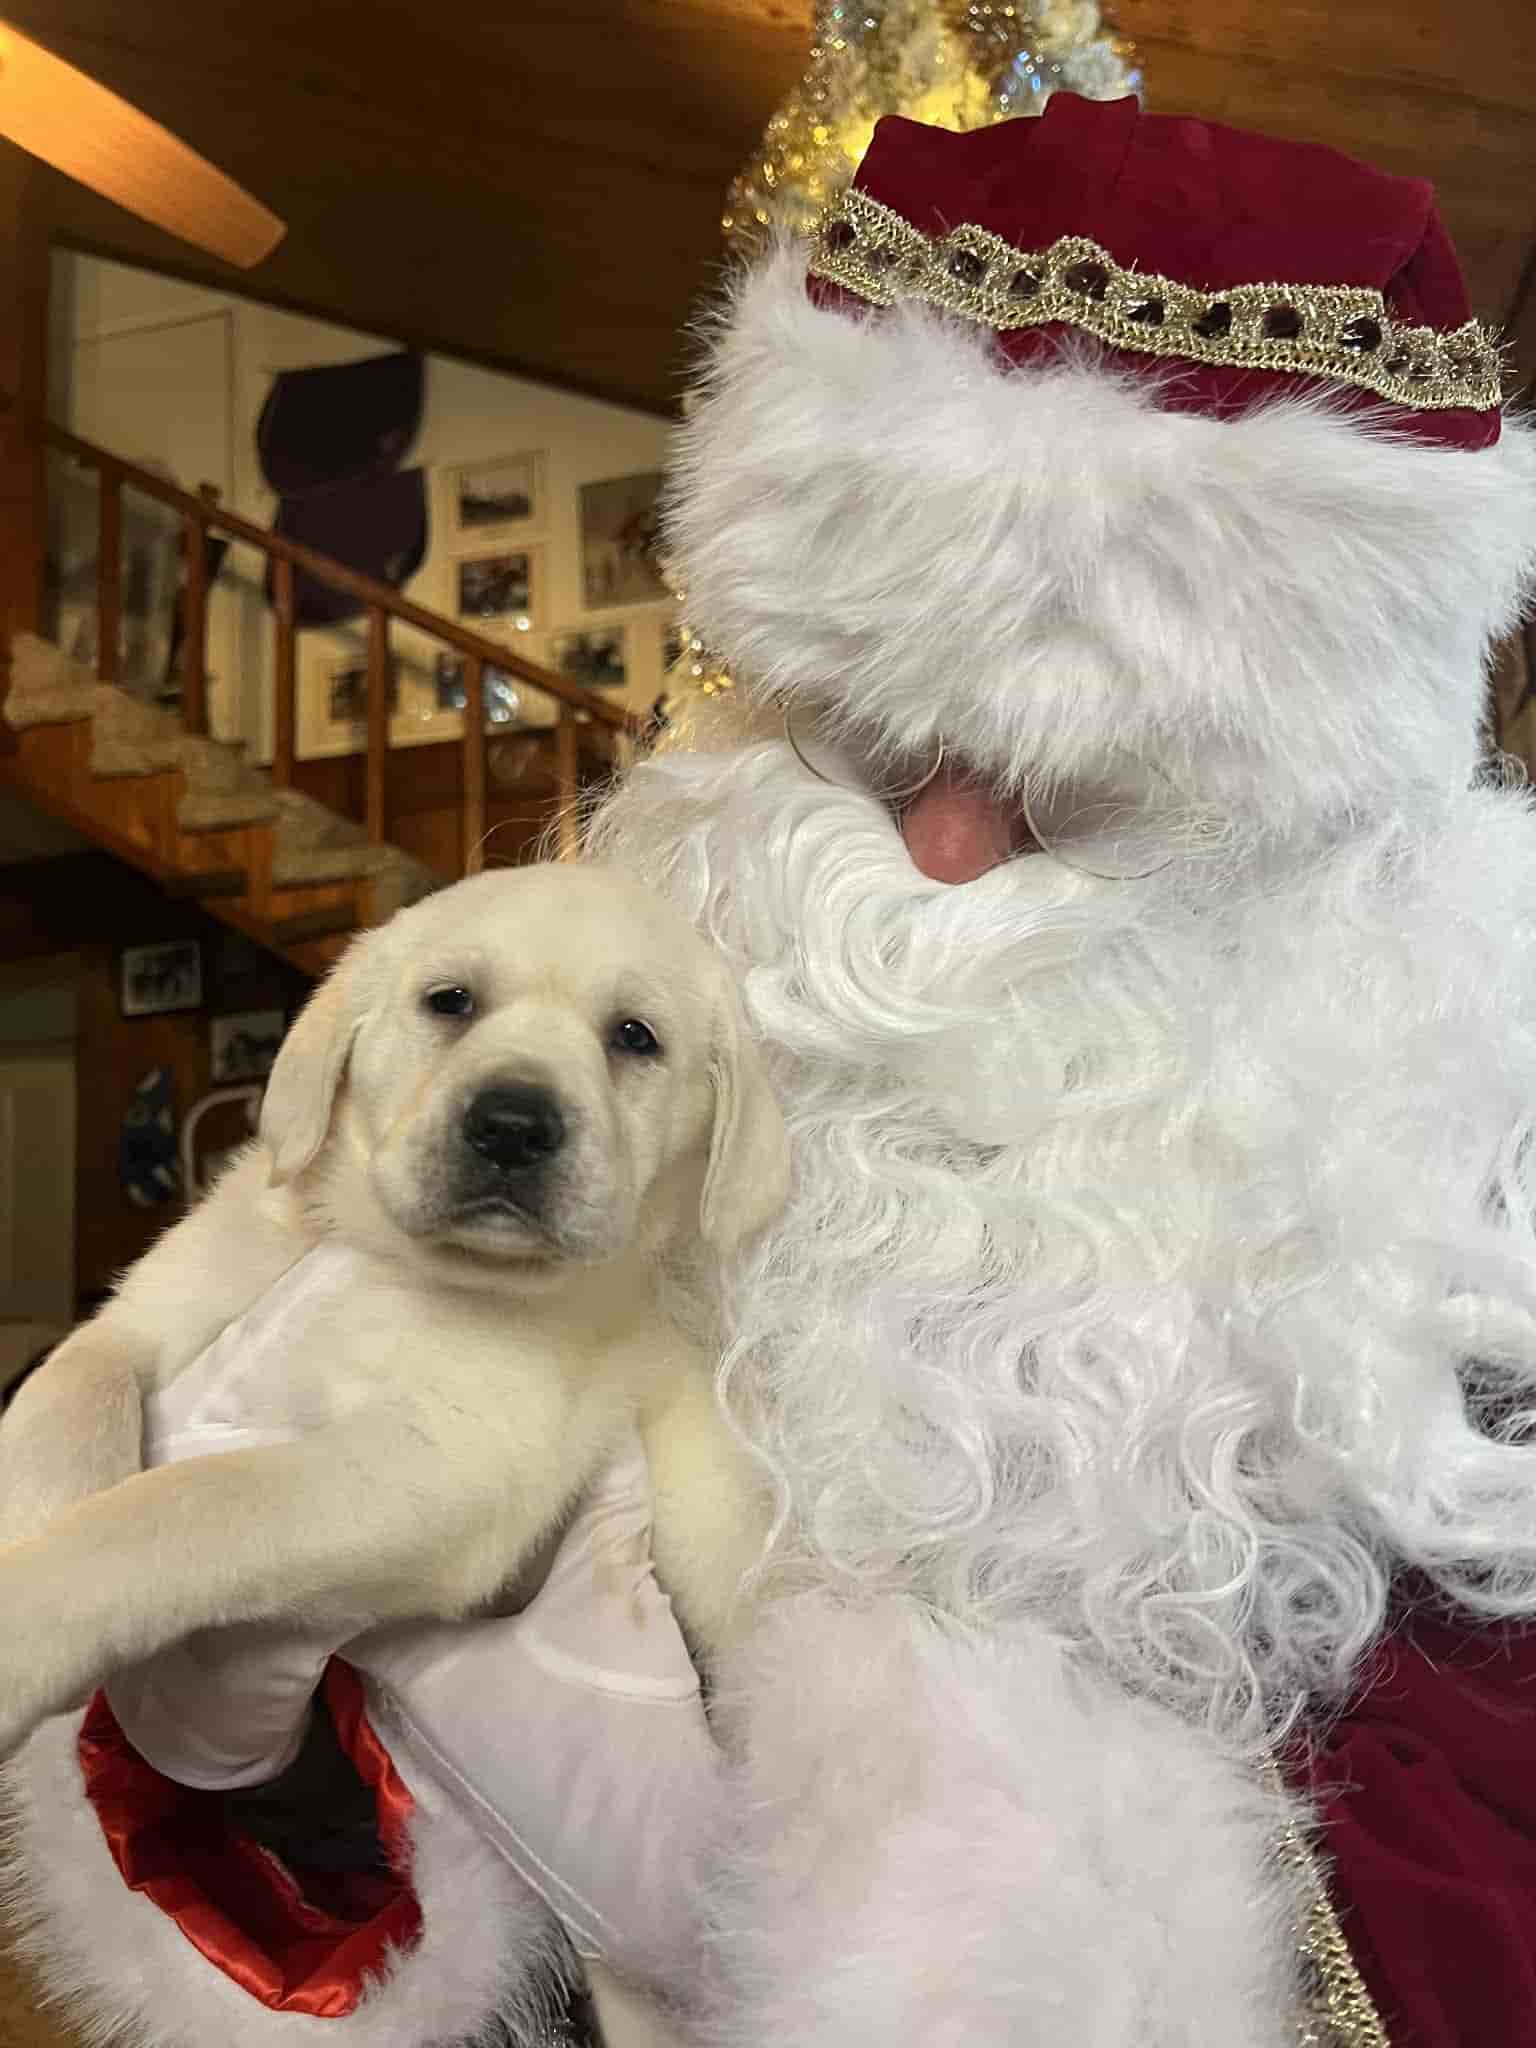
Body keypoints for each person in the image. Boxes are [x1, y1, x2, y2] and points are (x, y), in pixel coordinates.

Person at [7, 91, 1536, 2048]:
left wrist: (921, 1919)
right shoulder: (623, 1041)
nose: (947, 859)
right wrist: (277, 1731)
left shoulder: (1466, 1257)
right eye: (877, 745)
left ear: (1335, 815)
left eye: (1082, 792)